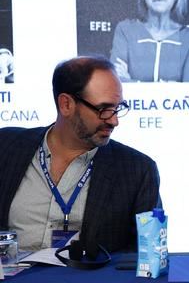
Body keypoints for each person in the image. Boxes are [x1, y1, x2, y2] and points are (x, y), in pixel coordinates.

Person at [0, 56, 161, 258]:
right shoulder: (6, 147)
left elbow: (147, 259)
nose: (114, 120)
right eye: (104, 109)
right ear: (66, 104)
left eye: (118, 108)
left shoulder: (137, 170)